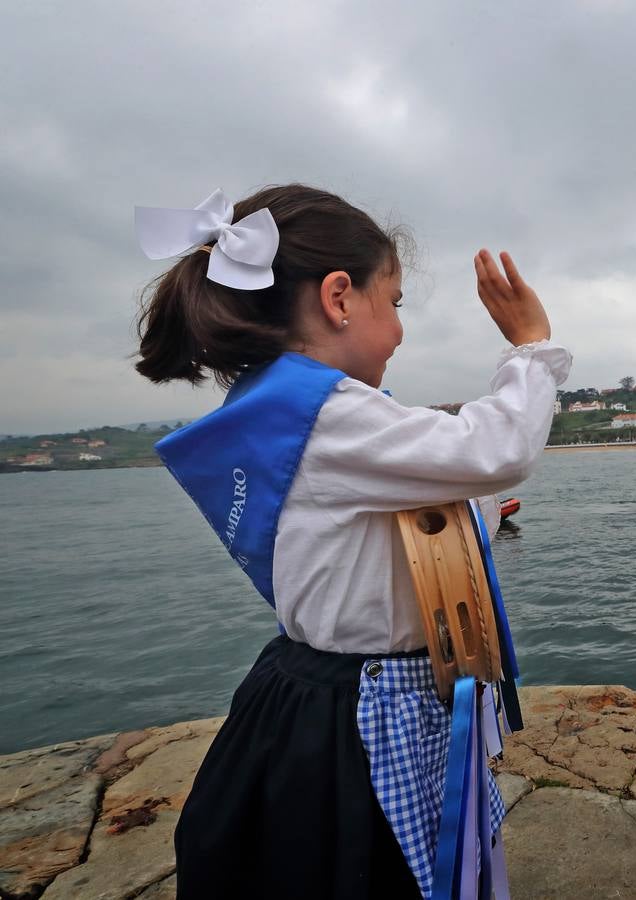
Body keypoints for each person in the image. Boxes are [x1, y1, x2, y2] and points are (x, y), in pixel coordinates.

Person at [132, 185, 568, 897]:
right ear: (339, 297)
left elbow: (447, 500)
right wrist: (532, 348)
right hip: (360, 718)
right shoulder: (325, 416)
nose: (399, 330)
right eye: (393, 303)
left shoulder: (290, 413)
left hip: (321, 698)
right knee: (380, 871)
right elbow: (497, 451)